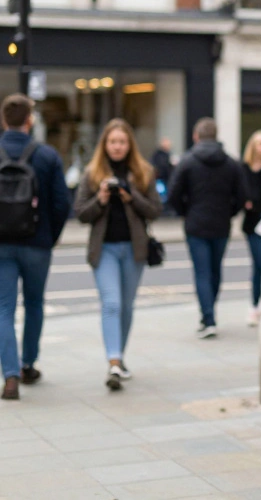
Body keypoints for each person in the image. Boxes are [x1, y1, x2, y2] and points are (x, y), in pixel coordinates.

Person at [72, 118, 161, 391]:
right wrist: (100, 199)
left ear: (129, 144)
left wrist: (130, 196)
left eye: (122, 142)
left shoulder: (143, 172)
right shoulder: (92, 173)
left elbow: (156, 210)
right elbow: (80, 214)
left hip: (134, 250)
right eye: (112, 142)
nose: (117, 147)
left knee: (126, 306)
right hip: (105, 249)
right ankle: (113, 361)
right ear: (105, 145)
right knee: (111, 303)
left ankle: (118, 359)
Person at [0, 94, 71, 401]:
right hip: (37, 243)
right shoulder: (47, 156)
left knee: (3, 309)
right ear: (30, 120)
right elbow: (61, 203)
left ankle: (10, 375)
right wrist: (50, 237)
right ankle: (29, 364)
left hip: (1, 244)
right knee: (34, 304)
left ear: (4, 120)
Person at [168, 118, 247, 339]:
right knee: (215, 269)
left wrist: (185, 211)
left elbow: (173, 194)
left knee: (202, 271)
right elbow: (241, 196)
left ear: (196, 136)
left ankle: (208, 318)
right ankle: (210, 313)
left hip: (195, 223)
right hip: (221, 223)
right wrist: (229, 212)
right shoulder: (231, 163)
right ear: (216, 135)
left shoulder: (187, 161)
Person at [241, 130, 261, 327]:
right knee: (259, 263)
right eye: (260, 143)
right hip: (252, 224)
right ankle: (255, 305)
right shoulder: (244, 168)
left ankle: (260, 304)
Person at [150, 138, 173, 214]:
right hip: (161, 179)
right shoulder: (160, 155)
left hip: (165, 179)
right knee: (161, 196)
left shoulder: (166, 155)